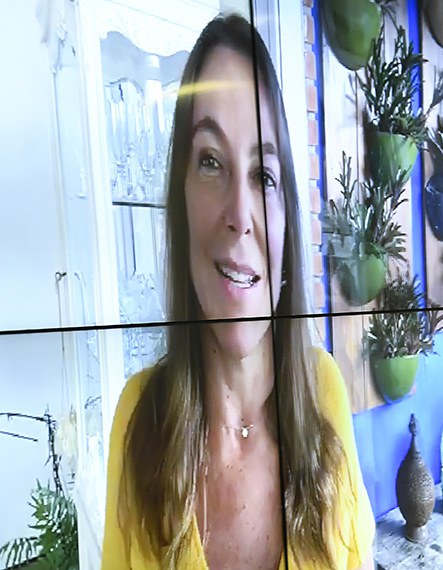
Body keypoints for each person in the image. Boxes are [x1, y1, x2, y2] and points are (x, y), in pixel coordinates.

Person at [102, 15, 374, 569]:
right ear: (179, 199)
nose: (239, 215)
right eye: (210, 162)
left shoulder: (324, 392)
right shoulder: (138, 418)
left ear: (286, 219)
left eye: (263, 175)